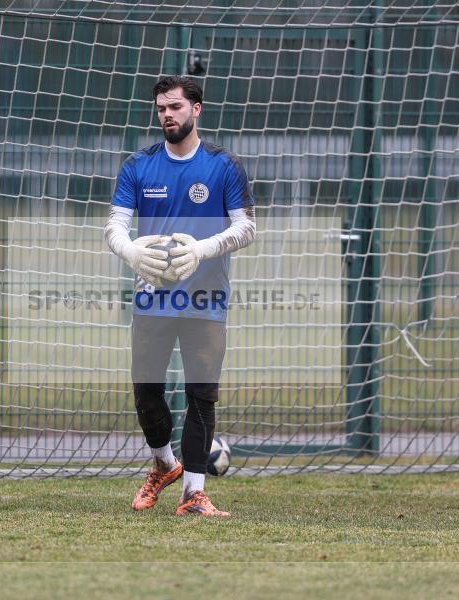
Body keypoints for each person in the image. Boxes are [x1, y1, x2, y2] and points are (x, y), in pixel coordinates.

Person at [104, 75, 256, 516]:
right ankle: (163, 464)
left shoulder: (224, 166)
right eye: (161, 109)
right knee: (147, 393)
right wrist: (130, 249)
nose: (167, 115)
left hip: (207, 298)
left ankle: (194, 492)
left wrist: (202, 249)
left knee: (201, 394)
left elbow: (246, 226)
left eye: (175, 107)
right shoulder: (138, 165)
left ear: (196, 109)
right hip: (152, 296)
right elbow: (114, 225)